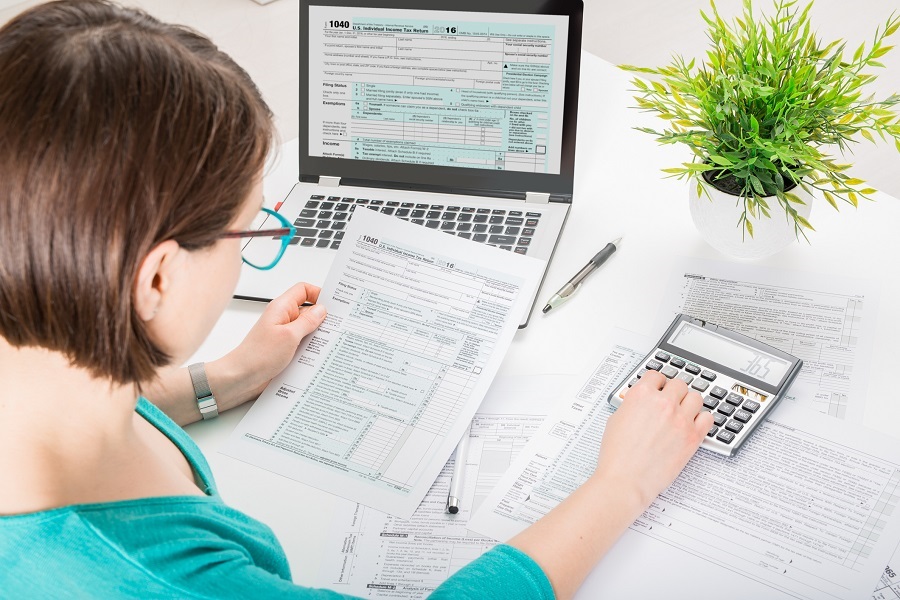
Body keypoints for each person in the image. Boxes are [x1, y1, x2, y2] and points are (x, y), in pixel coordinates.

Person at [0, 2, 713, 598]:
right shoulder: (153, 579)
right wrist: (624, 484)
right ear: (157, 280)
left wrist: (224, 379)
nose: (263, 237)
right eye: (253, 227)